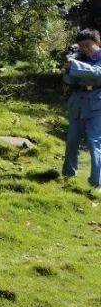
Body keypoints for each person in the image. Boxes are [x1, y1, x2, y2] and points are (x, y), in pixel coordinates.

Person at [62, 28, 101, 189]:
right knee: (72, 141)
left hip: (97, 106)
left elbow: (98, 73)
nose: (85, 49)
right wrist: (68, 69)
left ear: (98, 43)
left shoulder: (82, 61)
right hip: (78, 103)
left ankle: (96, 183)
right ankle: (68, 175)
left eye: (88, 45)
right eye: (82, 46)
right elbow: (69, 80)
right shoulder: (78, 58)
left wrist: (76, 66)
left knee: (94, 143)